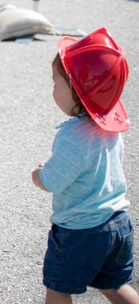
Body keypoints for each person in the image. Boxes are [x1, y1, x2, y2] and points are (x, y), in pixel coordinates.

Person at [32, 28, 138, 304]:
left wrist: (39, 175)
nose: (52, 88)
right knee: (115, 286)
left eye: (56, 83)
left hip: (80, 232)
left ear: (76, 91)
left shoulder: (72, 136)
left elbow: (53, 180)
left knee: (58, 289)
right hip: (117, 224)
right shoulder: (110, 128)